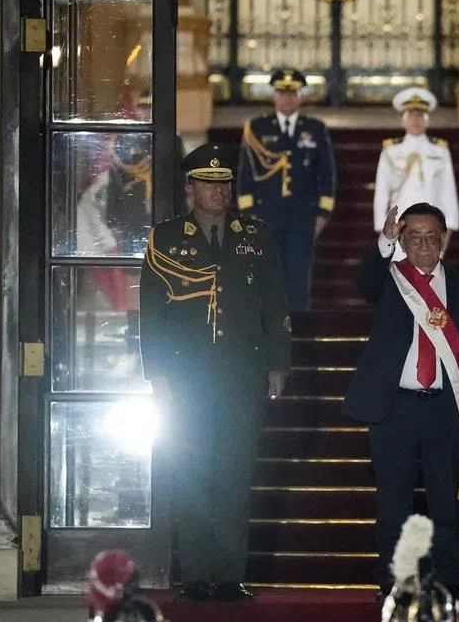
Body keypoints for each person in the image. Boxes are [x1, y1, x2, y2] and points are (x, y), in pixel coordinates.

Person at [139, 143, 291, 602]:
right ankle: (197, 574)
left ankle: (228, 575)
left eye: (223, 183)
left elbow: (275, 304)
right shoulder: (165, 239)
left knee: (233, 476)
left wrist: (279, 364)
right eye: (207, 183)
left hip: (241, 378)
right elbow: (151, 313)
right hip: (186, 381)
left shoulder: (256, 235)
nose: (217, 191)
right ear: (190, 188)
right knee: (190, 474)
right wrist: (158, 374)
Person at [342, 203, 459, 600]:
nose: (424, 245)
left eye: (431, 237)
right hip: (394, 408)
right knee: (393, 504)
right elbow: (364, 278)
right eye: (414, 238)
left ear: (444, 238)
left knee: (446, 504)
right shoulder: (389, 280)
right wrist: (386, 241)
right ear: (403, 241)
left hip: (445, 407)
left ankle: (448, 581)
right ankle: (394, 582)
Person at [237, 68, 336, 310]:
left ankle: (298, 339)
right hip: (265, 218)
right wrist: (249, 215)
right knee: (267, 281)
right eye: (282, 92)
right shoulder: (257, 129)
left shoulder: (315, 129)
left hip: (302, 219)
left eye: (293, 93)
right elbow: (245, 175)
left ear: (301, 96)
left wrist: (322, 214)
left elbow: (327, 173)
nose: (287, 98)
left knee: (298, 282)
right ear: (274, 95)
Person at [373, 87, 459, 254]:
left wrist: (449, 227)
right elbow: (382, 191)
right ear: (404, 120)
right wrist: (382, 227)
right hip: (401, 224)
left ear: (427, 120)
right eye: (412, 115)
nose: (416, 120)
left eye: (420, 115)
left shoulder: (439, 151)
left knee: (429, 276)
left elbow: (448, 191)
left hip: (433, 224)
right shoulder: (391, 151)